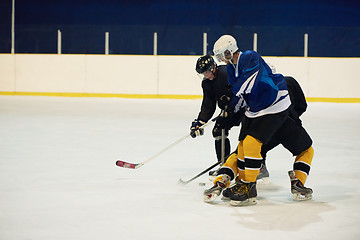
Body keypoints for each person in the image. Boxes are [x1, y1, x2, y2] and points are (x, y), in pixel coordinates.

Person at [203, 35, 314, 206]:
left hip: (273, 108)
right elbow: (242, 96)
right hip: (257, 110)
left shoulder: (250, 57)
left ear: (228, 51)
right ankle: (233, 181)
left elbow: (248, 85)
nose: (219, 60)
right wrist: (229, 112)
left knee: (250, 144)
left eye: (220, 56)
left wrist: (232, 100)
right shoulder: (232, 70)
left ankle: (248, 186)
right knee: (243, 148)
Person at [190, 55, 269, 179]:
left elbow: (242, 89)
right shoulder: (207, 83)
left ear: (213, 68)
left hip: (247, 107)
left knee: (252, 135)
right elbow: (208, 105)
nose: (205, 76)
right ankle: (225, 166)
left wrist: (232, 105)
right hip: (230, 111)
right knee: (218, 130)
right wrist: (200, 121)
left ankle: (261, 167)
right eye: (202, 74)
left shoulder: (226, 73)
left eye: (206, 72)